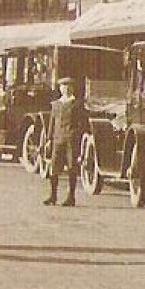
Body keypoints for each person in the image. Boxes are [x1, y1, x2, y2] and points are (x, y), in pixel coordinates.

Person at [42, 75, 88, 207]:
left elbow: (82, 123)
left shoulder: (77, 104)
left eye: (69, 87)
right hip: (58, 139)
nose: (66, 89)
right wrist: (49, 139)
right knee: (54, 168)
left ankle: (71, 197)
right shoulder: (56, 104)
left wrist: (77, 136)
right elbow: (52, 122)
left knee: (71, 168)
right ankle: (53, 195)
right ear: (60, 89)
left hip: (71, 140)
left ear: (72, 89)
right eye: (63, 87)